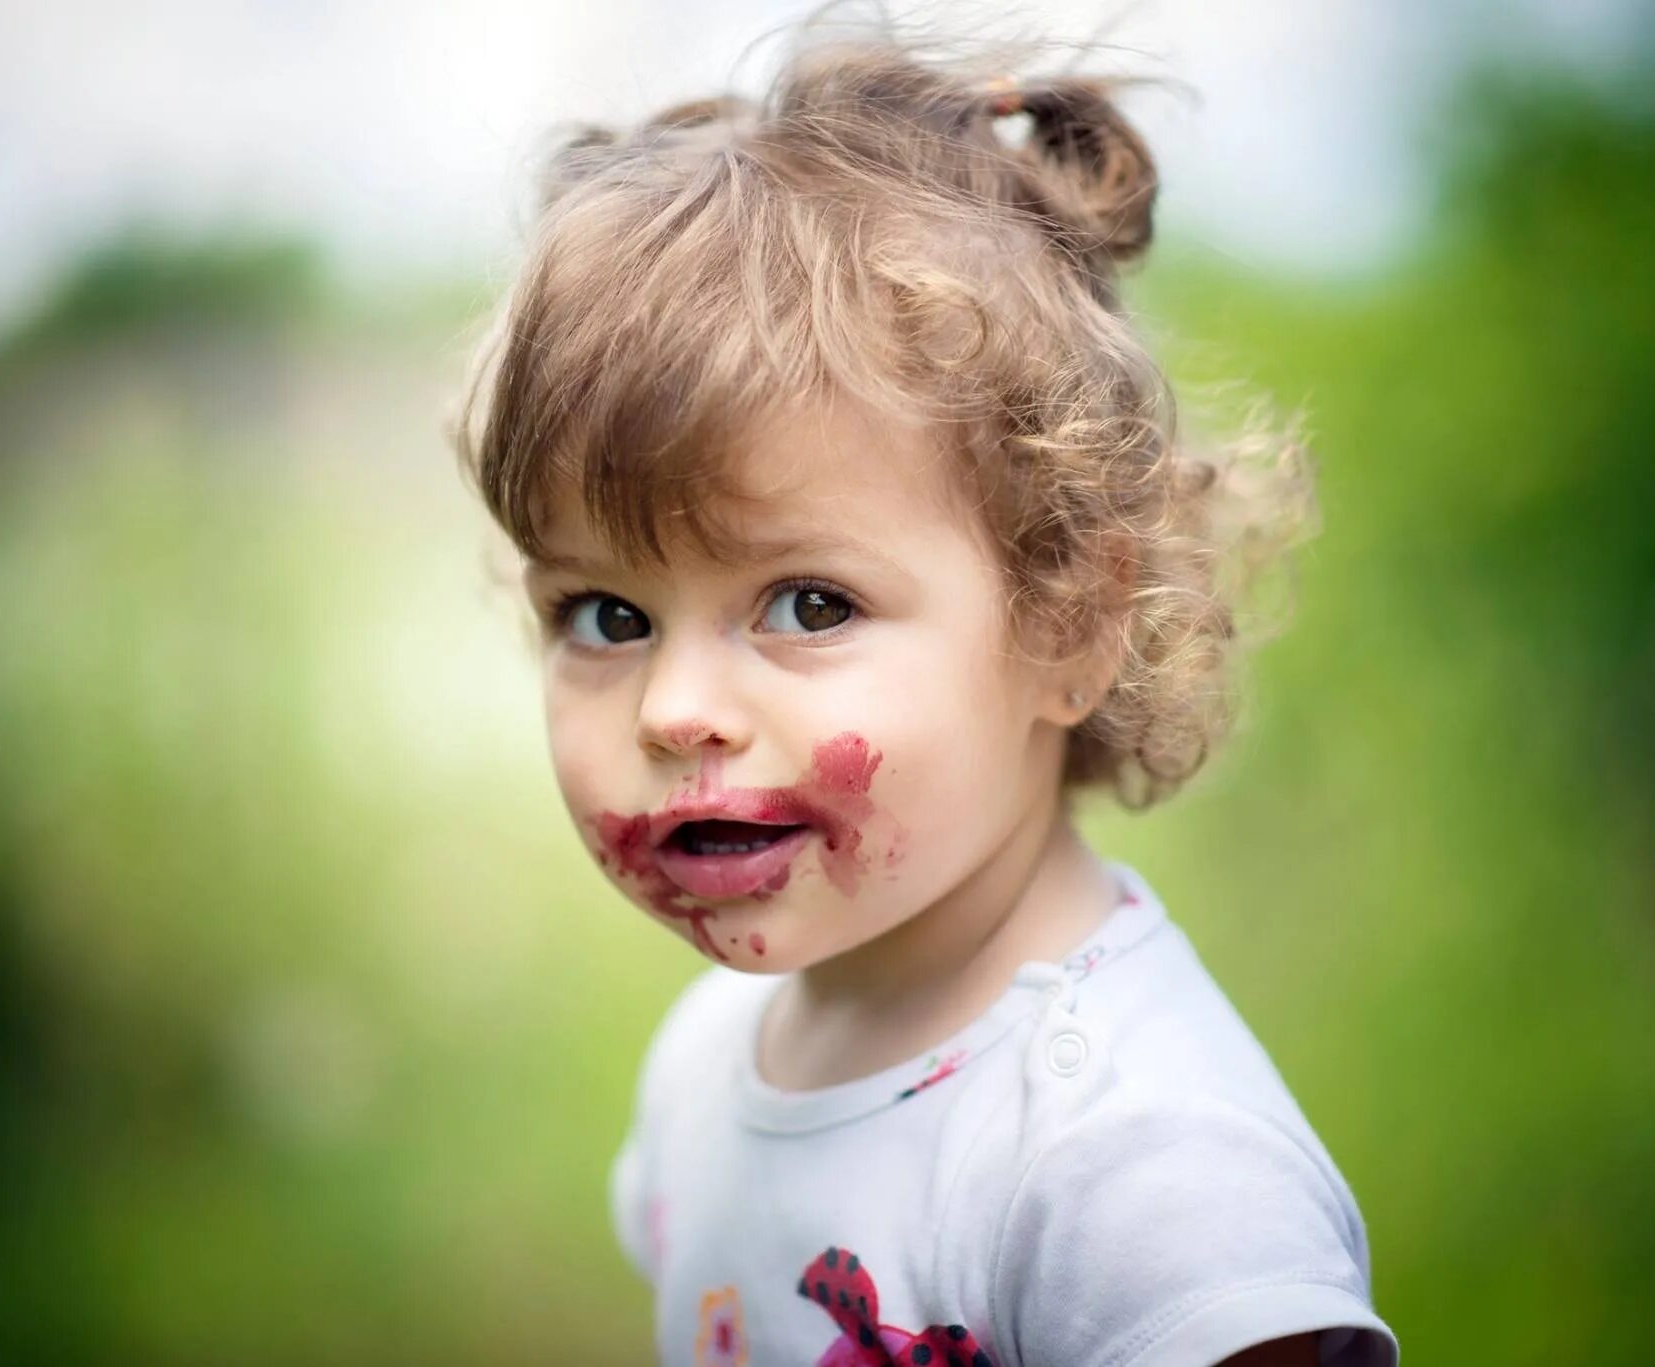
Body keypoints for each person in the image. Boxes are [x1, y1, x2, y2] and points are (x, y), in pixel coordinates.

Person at [448, 11, 1397, 1365]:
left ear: (1066, 624)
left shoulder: (1140, 1175)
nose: (672, 711)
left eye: (809, 605)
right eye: (605, 614)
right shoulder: (714, 1057)